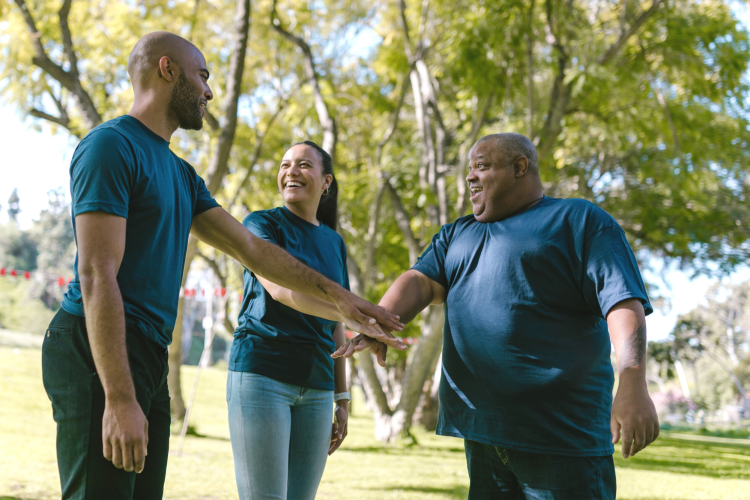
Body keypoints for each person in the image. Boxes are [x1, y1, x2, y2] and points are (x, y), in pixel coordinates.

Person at [41, 31, 405, 500]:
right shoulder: (111, 145)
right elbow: (96, 275)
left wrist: (347, 301)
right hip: (97, 347)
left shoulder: (181, 174)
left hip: (148, 351)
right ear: (168, 69)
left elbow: (254, 251)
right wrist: (119, 396)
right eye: (203, 76)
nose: (210, 92)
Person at [334, 133, 660, 499]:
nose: (470, 177)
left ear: (520, 167)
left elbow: (622, 302)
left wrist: (632, 383)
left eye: (482, 166)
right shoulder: (458, 233)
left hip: (561, 437)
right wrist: (378, 322)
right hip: (483, 434)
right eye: (469, 169)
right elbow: (420, 282)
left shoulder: (577, 220)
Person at [227, 140, 360, 499]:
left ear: (326, 181)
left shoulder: (334, 243)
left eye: (303, 165)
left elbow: (336, 326)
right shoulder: (260, 224)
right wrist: (361, 316)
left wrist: (342, 397)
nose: (290, 172)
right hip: (262, 376)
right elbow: (281, 290)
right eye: (285, 165)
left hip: (317, 387)